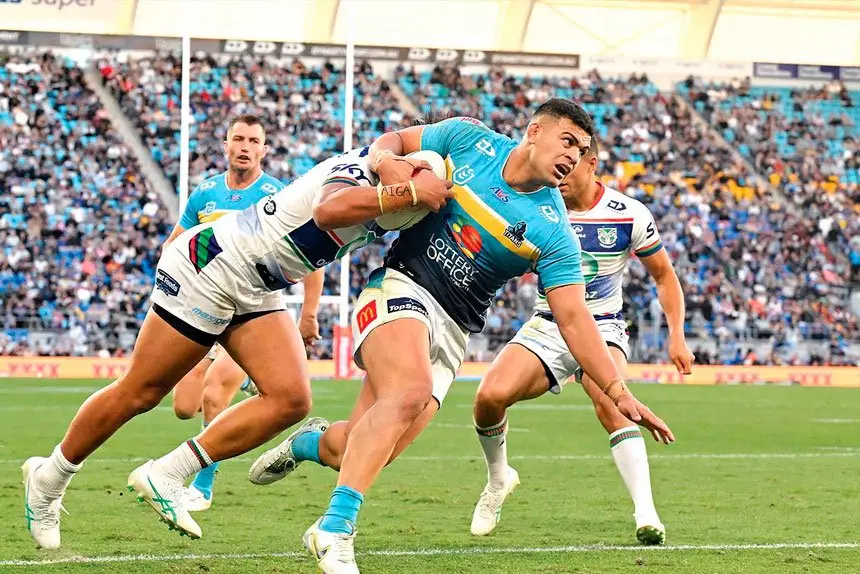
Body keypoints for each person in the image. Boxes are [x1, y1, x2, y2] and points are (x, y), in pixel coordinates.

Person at [250, 100, 673, 574]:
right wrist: (393, 168)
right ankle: (334, 531)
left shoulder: (554, 231)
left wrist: (618, 391)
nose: (573, 157)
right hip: (400, 286)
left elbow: (574, 318)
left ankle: (310, 443)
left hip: (453, 332)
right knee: (407, 394)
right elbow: (393, 142)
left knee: (359, 450)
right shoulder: (470, 140)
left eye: (582, 151)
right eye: (567, 141)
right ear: (534, 131)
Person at [21, 135, 453, 549]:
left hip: (256, 282)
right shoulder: (362, 171)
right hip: (213, 266)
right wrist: (404, 194)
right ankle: (50, 478)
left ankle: (169, 473)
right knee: (142, 392)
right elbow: (328, 210)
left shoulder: (388, 168)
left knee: (290, 399)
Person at [469, 137, 694, 545]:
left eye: (568, 166)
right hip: (548, 322)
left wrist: (676, 334)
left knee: (609, 398)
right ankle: (499, 477)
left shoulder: (629, 214)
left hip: (603, 325)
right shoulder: (538, 208)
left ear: (590, 164)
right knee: (489, 397)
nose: (558, 176)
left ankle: (646, 512)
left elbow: (665, 276)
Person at [165, 114, 324, 512]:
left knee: (216, 392)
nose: (245, 146)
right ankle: (256, 383)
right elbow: (176, 243)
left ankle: (202, 484)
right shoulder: (205, 194)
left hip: (251, 311)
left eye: (253, 140)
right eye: (238, 138)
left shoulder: (276, 193)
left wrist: (309, 313)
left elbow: (311, 257)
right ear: (226, 144)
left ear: (264, 149)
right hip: (204, 307)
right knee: (185, 406)